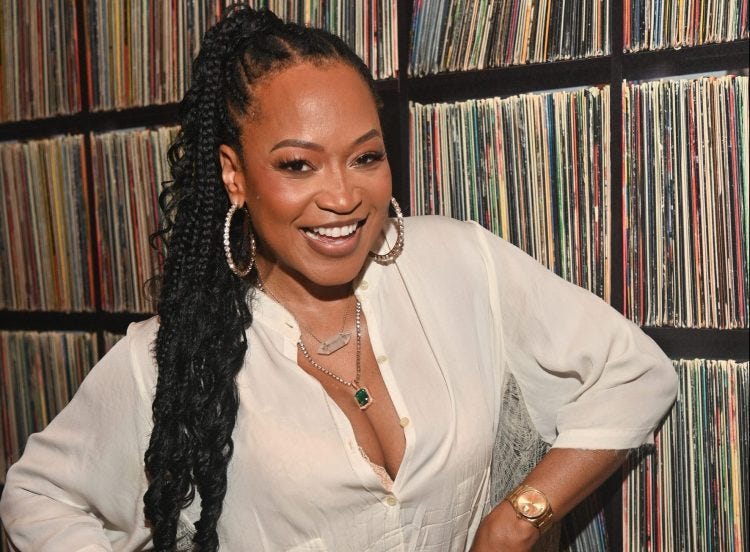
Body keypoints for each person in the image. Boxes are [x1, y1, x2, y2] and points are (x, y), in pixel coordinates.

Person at [0, 6, 677, 551]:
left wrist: (516, 520)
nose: (343, 196)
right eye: (298, 165)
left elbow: (634, 373)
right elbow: (38, 496)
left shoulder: (459, 263)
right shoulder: (169, 359)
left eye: (365, 157)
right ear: (235, 174)